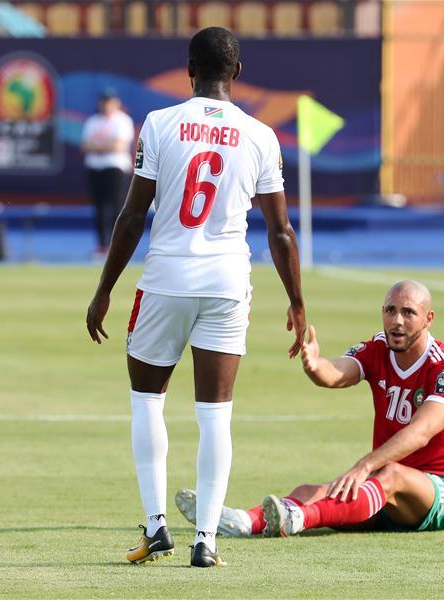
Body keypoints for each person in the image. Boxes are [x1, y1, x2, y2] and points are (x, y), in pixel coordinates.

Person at [85, 27, 305, 568]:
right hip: (227, 285)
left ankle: (157, 526)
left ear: (188, 68)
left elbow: (133, 215)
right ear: (238, 71)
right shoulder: (260, 135)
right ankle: (205, 540)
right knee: (216, 417)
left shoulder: (159, 124)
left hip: (165, 282)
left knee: (147, 403)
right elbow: (281, 232)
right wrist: (297, 301)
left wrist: (104, 289)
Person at [175, 280, 444, 538]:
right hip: (385, 488)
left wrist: (365, 466)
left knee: (391, 475)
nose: (397, 320)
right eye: (390, 310)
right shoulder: (378, 348)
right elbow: (336, 374)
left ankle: (299, 520)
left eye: (408, 312)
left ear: (428, 318)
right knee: (312, 491)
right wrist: (314, 364)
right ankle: (244, 521)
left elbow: (420, 433)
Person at [81, 88, 135, 257]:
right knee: (99, 208)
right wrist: (106, 145)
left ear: (116, 103)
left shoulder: (123, 121)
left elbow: (119, 146)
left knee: (116, 207)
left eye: (109, 101)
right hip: (95, 168)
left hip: (115, 168)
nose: (106, 105)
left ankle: (115, 245)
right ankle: (101, 245)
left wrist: (98, 146)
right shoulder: (93, 121)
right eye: (103, 101)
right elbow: (85, 146)